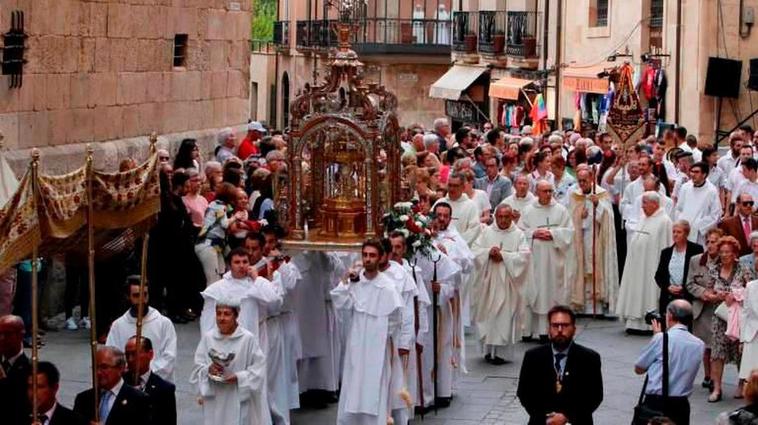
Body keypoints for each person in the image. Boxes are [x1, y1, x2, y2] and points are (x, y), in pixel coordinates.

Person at [332, 240, 404, 425]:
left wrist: (380, 337)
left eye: (372, 255)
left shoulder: (387, 286)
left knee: (375, 385)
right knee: (353, 381)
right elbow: (340, 302)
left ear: (380, 258)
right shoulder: (356, 281)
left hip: (377, 344)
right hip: (356, 341)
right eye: (365, 255)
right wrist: (345, 280)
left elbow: (395, 318)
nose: (368, 259)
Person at [516, 305, 603, 425]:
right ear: (549, 329)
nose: (560, 330)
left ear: (574, 329)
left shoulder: (589, 358)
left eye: (565, 325)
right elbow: (524, 393)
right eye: (555, 325)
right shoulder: (533, 357)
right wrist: (546, 418)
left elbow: (594, 396)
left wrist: (567, 416)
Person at [190, 299, 268, 425]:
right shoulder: (208, 338)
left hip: (238, 398)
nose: (222, 318)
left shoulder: (247, 339)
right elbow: (197, 367)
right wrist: (208, 369)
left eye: (227, 314)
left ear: (236, 315)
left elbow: (259, 370)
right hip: (215, 399)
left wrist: (238, 377)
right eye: (219, 313)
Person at [471, 204, 530, 364]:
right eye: (500, 217)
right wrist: (488, 253)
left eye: (507, 217)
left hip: (508, 284)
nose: (503, 220)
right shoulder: (487, 232)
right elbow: (475, 251)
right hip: (488, 283)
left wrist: (503, 256)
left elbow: (524, 257)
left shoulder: (518, 234)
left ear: (512, 217)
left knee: (504, 315)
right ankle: (488, 351)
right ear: (495, 217)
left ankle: (501, 353)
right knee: (488, 315)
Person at [634, 300, 705, 425]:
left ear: (670, 315)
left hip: (656, 403)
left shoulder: (661, 339)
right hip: (681, 404)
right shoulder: (699, 344)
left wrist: (657, 337)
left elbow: (639, 368)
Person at [520, 181, 574, 340]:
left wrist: (553, 234)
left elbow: (569, 232)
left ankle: (548, 332)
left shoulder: (561, 210)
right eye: (545, 191)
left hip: (553, 261)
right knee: (533, 292)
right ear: (537, 192)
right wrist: (534, 233)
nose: (549, 194)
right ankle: (529, 331)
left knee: (550, 294)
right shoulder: (528, 210)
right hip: (534, 261)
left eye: (551, 191)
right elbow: (520, 231)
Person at [616, 192, 673, 332]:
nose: (642, 207)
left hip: (650, 266)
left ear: (655, 204)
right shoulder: (643, 218)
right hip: (636, 265)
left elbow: (666, 246)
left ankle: (648, 324)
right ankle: (633, 322)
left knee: (647, 292)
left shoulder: (664, 221)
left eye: (645, 203)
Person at [200, 248, 282, 342]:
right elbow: (207, 323)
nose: (241, 266)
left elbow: (274, 302)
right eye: (237, 262)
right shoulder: (216, 289)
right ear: (230, 265)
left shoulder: (257, 285)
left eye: (245, 262)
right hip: (227, 340)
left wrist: (256, 278)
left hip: (255, 336)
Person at [105, 276, 177, 383]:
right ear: (127, 296)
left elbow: (169, 358)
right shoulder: (118, 326)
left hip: (157, 384)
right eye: (136, 295)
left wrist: (145, 374)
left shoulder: (164, 323)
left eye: (145, 294)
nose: (142, 300)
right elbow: (112, 358)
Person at [566, 168, 618, 316]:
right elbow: (570, 216)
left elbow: (608, 218)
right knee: (581, 266)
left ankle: (597, 303)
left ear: (591, 179)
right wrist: (579, 216)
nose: (582, 184)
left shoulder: (601, 194)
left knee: (595, 266)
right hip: (580, 237)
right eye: (579, 180)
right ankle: (581, 303)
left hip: (597, 237)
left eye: (584, 180)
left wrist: (597, 206)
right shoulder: (575, 195)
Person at [708, 236, 752, 402]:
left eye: (728, 252)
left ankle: (741, 385)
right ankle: (717, 388)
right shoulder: (714, 269)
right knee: (717, 352)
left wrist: (736, 295)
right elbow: (707, 292)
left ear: (735, 253)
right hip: (720, 315)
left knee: (740, 352)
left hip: (739, 316)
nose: (724, 255)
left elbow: (752, 291)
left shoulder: (743, 269)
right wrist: (716, 296)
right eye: (722, 252)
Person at [685, 228, 724, 391]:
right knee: (704, 347)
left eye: (714, 242)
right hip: (701, 309)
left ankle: (716, 379)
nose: (710, 245)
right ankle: (708, 376)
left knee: (716, 346)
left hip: (719, 309)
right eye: (707, 241)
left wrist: (717, 294)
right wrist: (703, 293)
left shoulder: (725, 260)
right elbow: (689, 284)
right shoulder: (696, 260)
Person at [73, 347, 151, 425]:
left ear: (121, 368)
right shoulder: (83, 399)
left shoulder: (138, 400)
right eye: (95, 367)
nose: (98, 372)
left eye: (104, 367)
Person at [654, 220, 704, 317]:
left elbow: (698, 274)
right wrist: (668, 287)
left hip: (688, 297)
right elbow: (659, 275)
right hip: (668, 297)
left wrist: (684, 288)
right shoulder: (666, 252)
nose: (675, 235)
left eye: (679, 232)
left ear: (686, 234)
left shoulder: (696, 250)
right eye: (674, 232)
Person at [123, 336, 176, 425]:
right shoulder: (119, 382)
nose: (130, 359)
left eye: (134, 354)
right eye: (127, 355)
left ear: (150, 354)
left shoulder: (164, 389)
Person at [674, 161, 722, 245]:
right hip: (683, 231)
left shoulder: (711, 190)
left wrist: (697, 226)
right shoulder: (685, 187)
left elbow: (715, 215)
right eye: (691, 171)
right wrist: (680, 224)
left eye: (696, 172)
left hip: (700, 235)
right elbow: (679, 208)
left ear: (704, 174)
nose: (692, 174)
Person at [434, 173, 481, 245]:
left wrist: (456, 243)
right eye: (450, 185)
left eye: (455, 186)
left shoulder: (471, 206)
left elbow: (474, 230)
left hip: (460, 248)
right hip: (438, 245)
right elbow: (430, 222)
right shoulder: (440, 202)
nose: (452, 189)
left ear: (463, 187)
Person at [0, 315, 30, 425]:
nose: (2, 339)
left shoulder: (30, 368)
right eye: (0, 334)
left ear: (21, 335)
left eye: (7, 334)